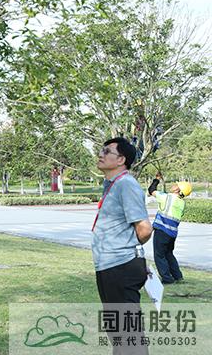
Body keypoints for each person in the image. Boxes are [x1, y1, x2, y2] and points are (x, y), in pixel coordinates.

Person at [93, 137, 153, 355]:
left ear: (121, 160)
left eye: (107, 151)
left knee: (128, 335)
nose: (101, 154)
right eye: (101, 150)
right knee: (118, 332)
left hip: (121, 265)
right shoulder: (112, 184)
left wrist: (129, 250)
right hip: (109, 265)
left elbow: (144, 228)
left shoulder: (126, 184)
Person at [148, 172, 191, 284]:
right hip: (172, 234)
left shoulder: (167, 198)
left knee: (159, 255)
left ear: (178, 190)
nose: (173, 185)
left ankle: (167, 279)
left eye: (176, 185)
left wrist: (157, 179)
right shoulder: (181, 203)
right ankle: (178, 276)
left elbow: (151, 190)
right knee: (168, 254)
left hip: (162, 231)